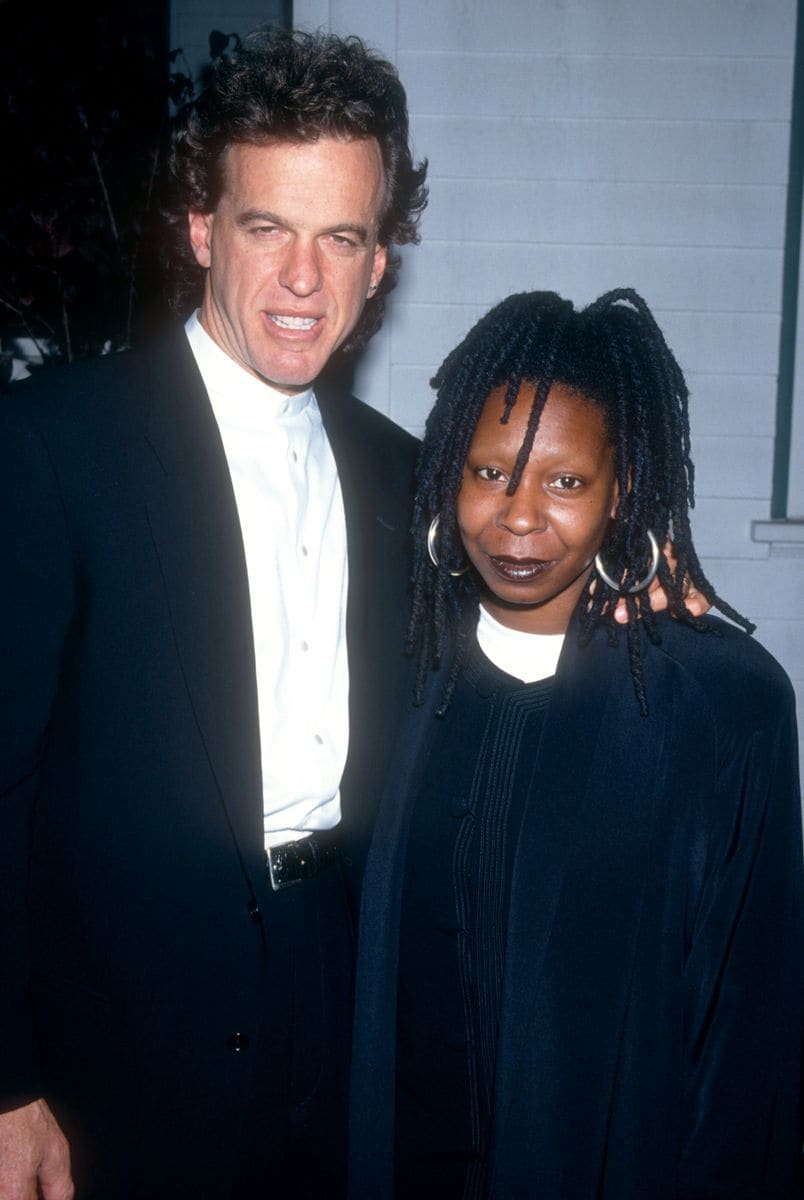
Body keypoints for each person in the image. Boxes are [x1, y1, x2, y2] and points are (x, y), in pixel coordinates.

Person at [0, 26, 427, 1200]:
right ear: (201, 230)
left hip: (338, 999)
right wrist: (6, 1080)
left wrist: (647, 594)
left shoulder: (401, 475)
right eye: (267, 227)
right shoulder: (53, 447)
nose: (304, 279)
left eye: (341, 238)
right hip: (116, 1042)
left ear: (380, 264)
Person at [348, 288, 804, 1198]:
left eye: (565, 482)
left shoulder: (718, 704)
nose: (519, 518)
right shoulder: (393, 664)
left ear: (621, 488)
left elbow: (746, 1040)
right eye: (488, 473)